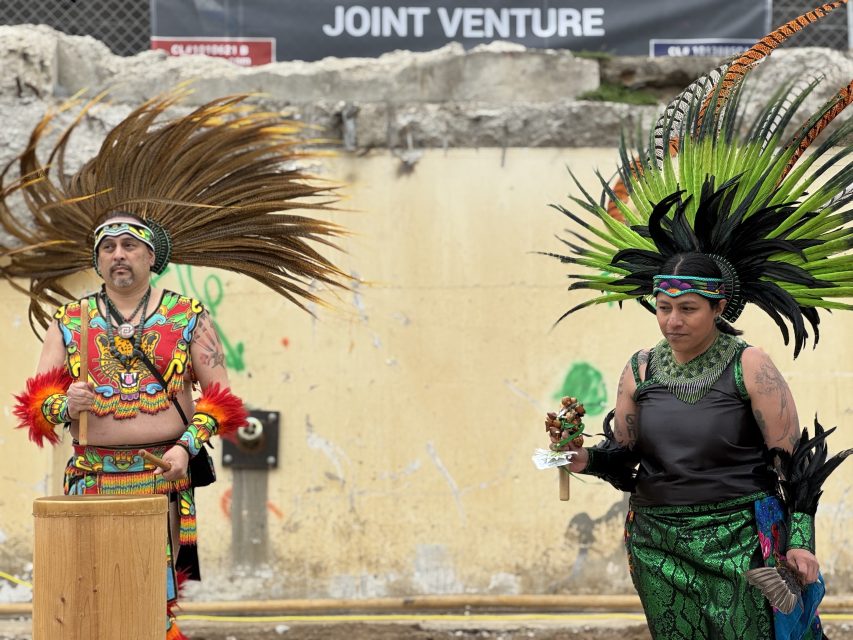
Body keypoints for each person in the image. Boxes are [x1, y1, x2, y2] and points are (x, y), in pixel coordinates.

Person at [541, 4, 852, 639]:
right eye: (663, 307)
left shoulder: (751, 367)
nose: (672, 320)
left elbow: (792, 463)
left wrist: (797, 541)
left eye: (687, 309)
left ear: (720, 309)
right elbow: (626, 458)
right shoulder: (638, 370)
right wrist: (578, 458)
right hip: (657, 541)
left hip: (744, 541)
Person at [5, 91, 349, 640]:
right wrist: (61, 404)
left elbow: (222, 400)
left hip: (160, 477)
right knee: (90, 595)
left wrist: (184, 448)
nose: (118, 254)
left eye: (128, 245)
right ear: (96, 259)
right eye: (108, 247)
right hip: (92, 479)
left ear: (150, 257)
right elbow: (35, 405)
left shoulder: (188, 317)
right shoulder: (70, 321)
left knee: (151, 596)